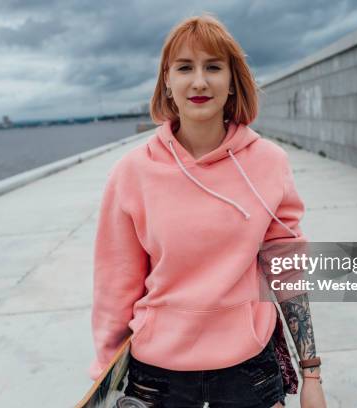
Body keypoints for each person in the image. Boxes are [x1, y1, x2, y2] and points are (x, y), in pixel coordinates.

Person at [89, 12, 326, 408]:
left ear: (232, 80)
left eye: (213, 67)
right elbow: (115, 289)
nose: (199, 81)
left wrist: (312, 374)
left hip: (250, 373)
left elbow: (287, 270)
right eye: (185, 68)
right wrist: (103, 381)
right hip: (157, 378)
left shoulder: (269, 162)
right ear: (167, 80)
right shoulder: (130, 173)